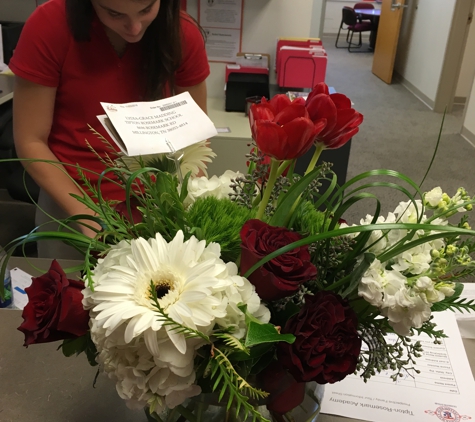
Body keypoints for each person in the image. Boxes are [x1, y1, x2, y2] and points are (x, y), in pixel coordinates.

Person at [9, 0, 210, 257]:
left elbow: (195, 140)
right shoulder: (49, 26)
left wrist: (191, 203)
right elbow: (31, 141)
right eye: (114, 13)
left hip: (159, 205)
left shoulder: (181, 33)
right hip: (71, 199)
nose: (135, 28)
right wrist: (90, 217)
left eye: (146, 10)